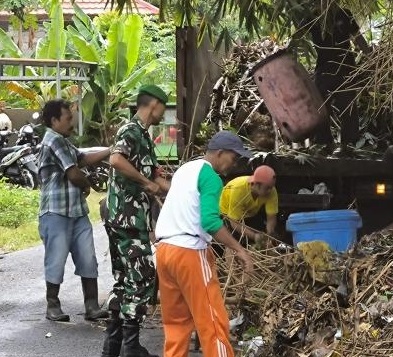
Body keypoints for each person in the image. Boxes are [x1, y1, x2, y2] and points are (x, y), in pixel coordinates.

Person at [155, 130, 254, 357]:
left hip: (165, 251)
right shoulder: (211, 177)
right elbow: (209, 221)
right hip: (189, 253)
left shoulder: (185, 169)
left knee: (176, 324)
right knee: (213, 322)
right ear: (220, 153)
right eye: (234, 157)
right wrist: (239, 250)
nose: (235, 164)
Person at [102, 85, 170, 357]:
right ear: (154, 105)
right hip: (127, 219)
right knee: (141, 279)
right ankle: (131, 347)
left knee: (124, 281)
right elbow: (116, 159)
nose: (163, 115)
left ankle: (113, 345)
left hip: (127, 219)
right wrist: (145, 182)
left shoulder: (143, 137)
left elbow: (156, 182)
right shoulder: (130, 130)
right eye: (163, 108)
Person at [37, 99, 110, 322]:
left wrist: (111, 150)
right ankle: (53, 306)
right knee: (56, 259)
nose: (72, 123)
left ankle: (91, 306)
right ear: (54, 120)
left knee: (87, 257)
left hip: (76, 211)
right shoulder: (53, 141)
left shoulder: (64, 142)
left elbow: (83, 159)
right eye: (68, 119)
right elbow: (74, 173)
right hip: (56, 211)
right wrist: (89, 184)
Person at [299, 3, 372, 154]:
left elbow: (357, 37)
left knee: (348, 106)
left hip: (345, 67)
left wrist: (370, 55)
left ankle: (347, 145)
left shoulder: (344, 14)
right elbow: (298, 37)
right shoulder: (312, 17)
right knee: (320, 106)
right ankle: (326, 144)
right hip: (324, 68)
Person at [218, 165, 278, 251]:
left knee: (262, 237)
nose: (270, 191)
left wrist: (268, 235)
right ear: (256, 184)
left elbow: (271, 218)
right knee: (232, 241)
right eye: (267, 188)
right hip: (227, 215)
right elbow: (234, 223)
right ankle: (230, 262)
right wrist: (254, 236)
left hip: (249, 213)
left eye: (271, 187)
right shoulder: (239, 190)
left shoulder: (271, 190)